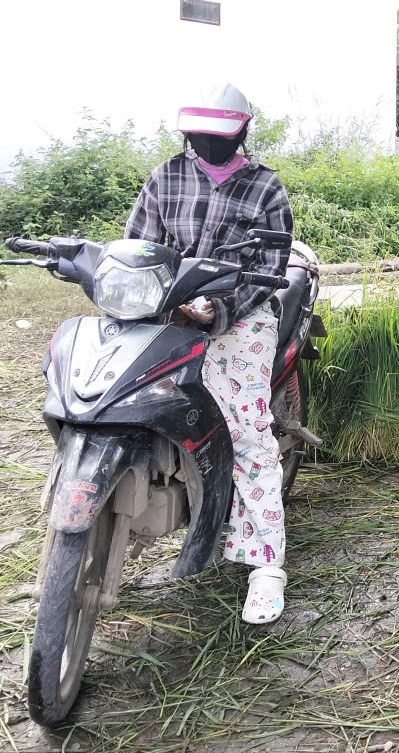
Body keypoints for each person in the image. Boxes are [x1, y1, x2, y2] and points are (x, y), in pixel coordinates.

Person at [124, 84, 294, 624]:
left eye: (219, 134)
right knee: (123, 401)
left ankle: (266, 563)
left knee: (245, 428)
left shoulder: (266, 187)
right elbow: (138, 245)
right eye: (198, 134)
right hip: (165, 310)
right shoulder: (165, 177)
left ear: (243, 131)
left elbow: (270, 265)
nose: (207, 143)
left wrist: (218, 311)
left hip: (238, 318)